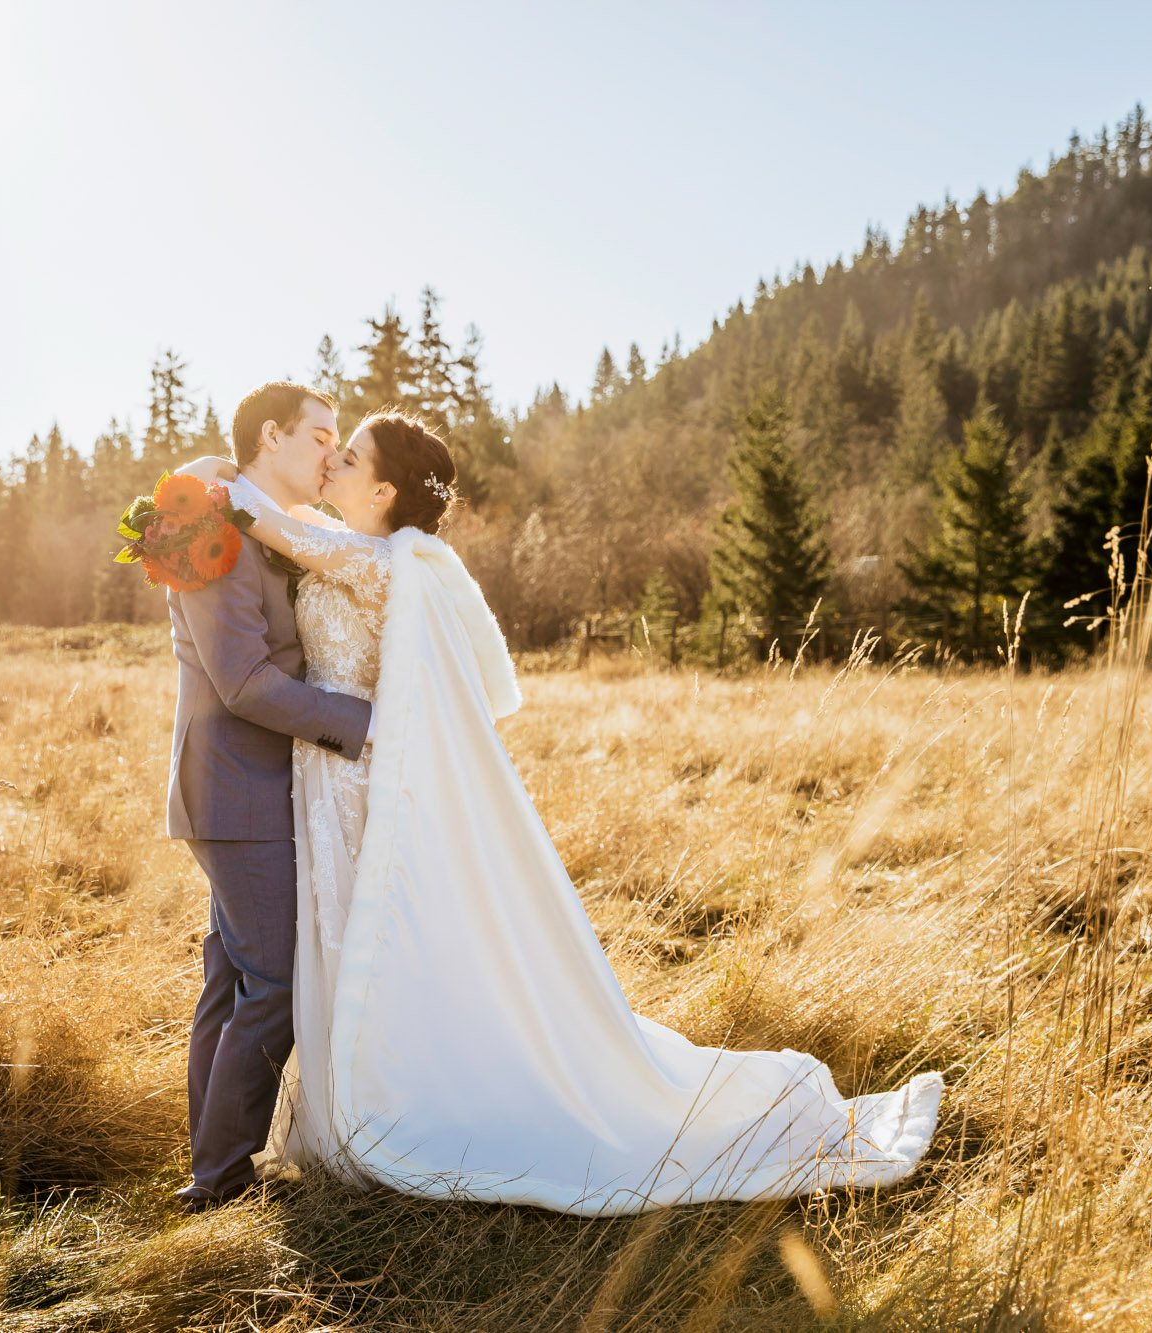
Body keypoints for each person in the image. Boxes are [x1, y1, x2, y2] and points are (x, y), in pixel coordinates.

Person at [174, 406, 944, 1215]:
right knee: (324, 947)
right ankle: (301, 1126)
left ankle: (392, 1099)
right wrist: (218, 475)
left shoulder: (379, 559)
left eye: (349, 452)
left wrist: (197, 484)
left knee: (370, 939)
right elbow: (278, 517)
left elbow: (264, 515)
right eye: (327, 443)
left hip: (357, 775)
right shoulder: (361, 547)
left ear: (385, 489)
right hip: (324, 781)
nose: (333, 461)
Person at [163, 381, 371, 1213]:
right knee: (276, 978)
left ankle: (211, 1171)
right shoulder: (209, 526)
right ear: (272, 436)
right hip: (232, 787)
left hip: (262, 787)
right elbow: (244, 681)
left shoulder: (265, 525)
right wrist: (366, 722)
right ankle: (217, 1181)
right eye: (321, 435)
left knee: (233, 977)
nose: (333, 451)